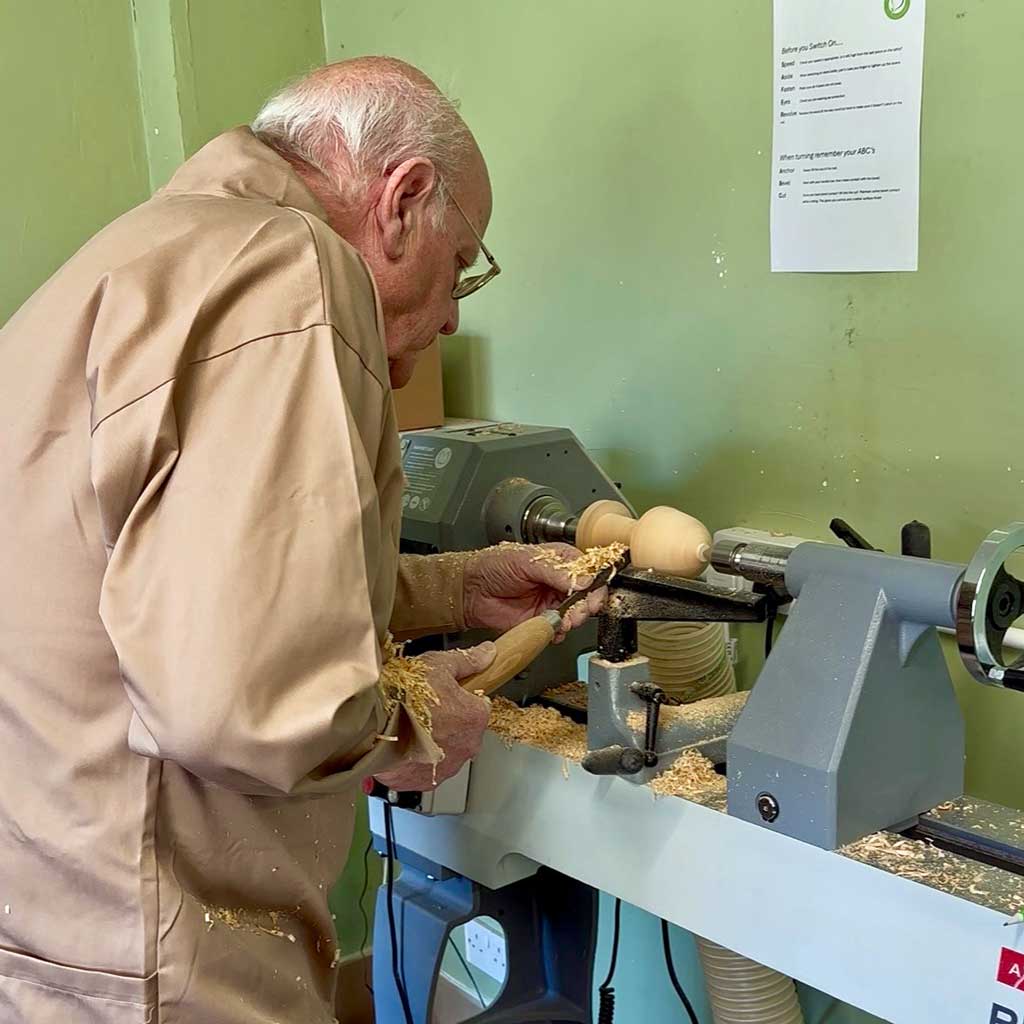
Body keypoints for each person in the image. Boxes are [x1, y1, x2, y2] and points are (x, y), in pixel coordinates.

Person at [0, 57, 604, 1022]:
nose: (451, 313)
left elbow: (189, 570)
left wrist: (451, 587)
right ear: (402, 199)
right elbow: (240, 699)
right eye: (463, 267)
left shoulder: (143, 253)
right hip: (154, 947)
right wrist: (402, 729)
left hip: (52, 912)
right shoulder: (293, 265)